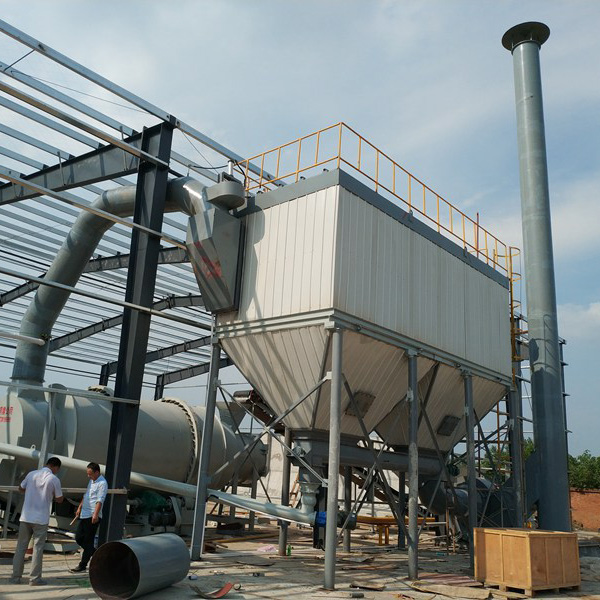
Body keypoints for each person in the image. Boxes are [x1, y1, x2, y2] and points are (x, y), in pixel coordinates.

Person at [10, 456, 64, 586]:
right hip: (41, 519)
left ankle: (15, 577)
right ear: (55, 467)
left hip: (26, 517)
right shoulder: (54, 479)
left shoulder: (31, 474)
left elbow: (21, 488)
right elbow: (60, 499)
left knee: (20, 548)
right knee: (38, 549)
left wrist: (30, 491)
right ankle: (34, 579)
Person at [70, 462, 107, 573]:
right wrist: (79, 507)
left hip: (92, 515)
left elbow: (100, 500)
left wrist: (95, 514)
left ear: (97, 472)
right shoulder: (91, 481)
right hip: (84, 514)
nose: (88, 476)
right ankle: (95, 553)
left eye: (90, 474)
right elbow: (86, 495)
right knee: (79, 538)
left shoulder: (102, 483)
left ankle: (83, 565)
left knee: (88, 540)